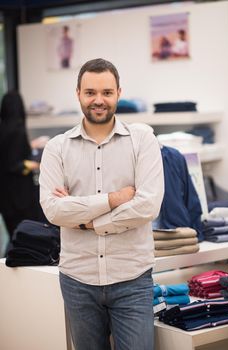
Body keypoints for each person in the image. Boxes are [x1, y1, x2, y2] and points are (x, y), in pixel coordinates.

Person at [39, 58, 164, 350]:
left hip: (132, 279)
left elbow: (148, 205)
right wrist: (115, 199)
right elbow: (54, 210)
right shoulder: (57, 148)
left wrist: (87, 220)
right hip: (77, 281)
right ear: (78, 94)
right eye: (90, 92)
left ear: (119, 93)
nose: (99, 100)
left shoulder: (142, 140)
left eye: (107, 92)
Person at [0, 91, 41, 238]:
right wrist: (39, 165)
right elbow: (16, 165)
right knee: (27, 237)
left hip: (5, 195)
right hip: (20, 196)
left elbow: (8, 155)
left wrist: (30, 145)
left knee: (14, 236)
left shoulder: (3, 128)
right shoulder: (18, 130)